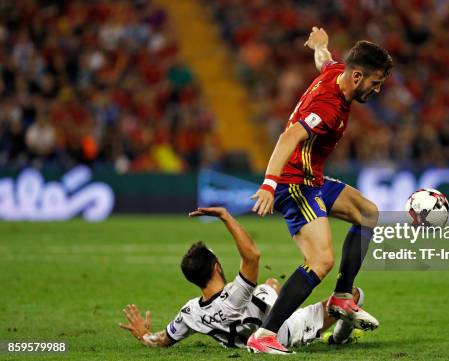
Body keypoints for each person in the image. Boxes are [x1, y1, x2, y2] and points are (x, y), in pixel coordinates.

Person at [248, 27, 392, 354]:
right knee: (321, 260)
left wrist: (321, 45)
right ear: (357, 76)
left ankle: (342, 297)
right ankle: (263, 336)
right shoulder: (328, 107)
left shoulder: (336, 72)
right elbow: (288, 137)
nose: (378, 89)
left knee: (367, 213)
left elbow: (324, 61)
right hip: (294, 181)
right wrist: (270, 184)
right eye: (376, 82)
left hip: (312, 178)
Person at [119, 207, 364, 350]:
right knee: (352, 295)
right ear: (216, 267)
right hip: (285, 332)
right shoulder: (234, 295)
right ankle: (338, 339)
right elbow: (252, 256)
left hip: (249, 327)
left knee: (269, 285)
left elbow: (163, 339)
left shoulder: (190, 312)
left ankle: (276, 297)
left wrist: (143, 335)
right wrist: (226, 216)